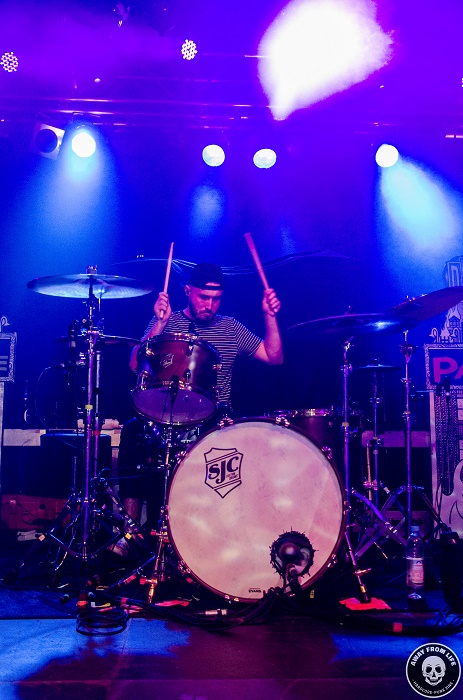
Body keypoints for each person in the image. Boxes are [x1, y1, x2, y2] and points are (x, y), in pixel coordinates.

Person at [116, 262, 283, 536]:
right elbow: (135, 363)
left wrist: (269, 316)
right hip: (167, 415)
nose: (210, 305)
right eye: (204, 297)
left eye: (216, 299)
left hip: (216, 418)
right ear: (187, 291)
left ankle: (222, 532)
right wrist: (159, 323)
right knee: (133, 430)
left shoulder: (231, 328)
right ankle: (129, 532)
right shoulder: (169, 322)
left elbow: (274, 356)